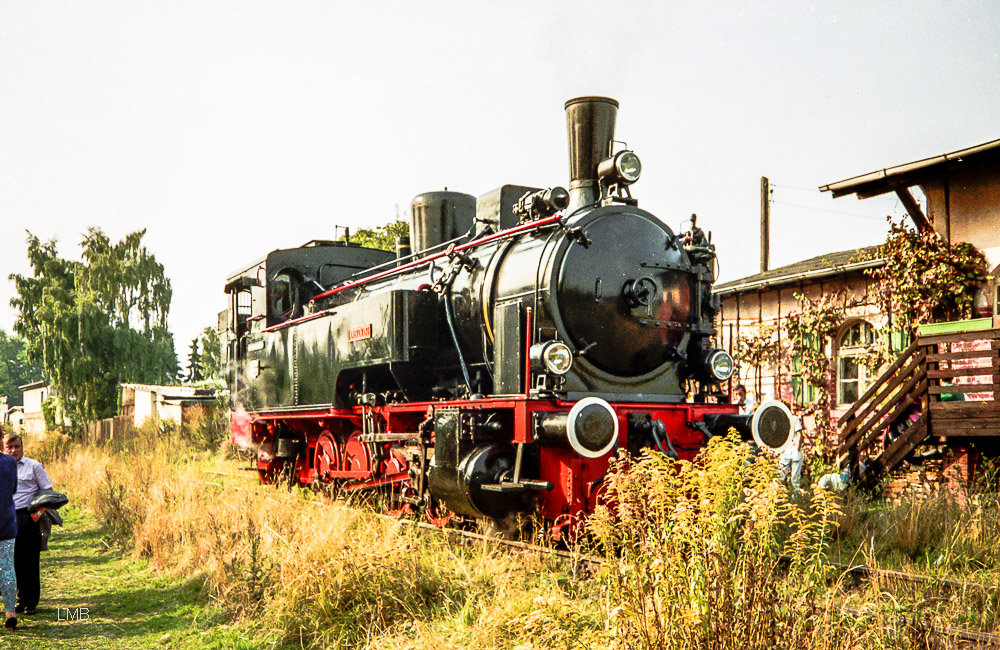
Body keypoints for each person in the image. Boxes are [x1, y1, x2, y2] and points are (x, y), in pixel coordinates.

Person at [3, 434, 52, 616]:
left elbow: (48, 492)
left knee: (29, 561)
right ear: (3, 448)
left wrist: (37, 515)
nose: (13, 450)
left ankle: (31, 602)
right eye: (9, 447)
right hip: (6, 517)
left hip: (27, 517)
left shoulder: (34, 466)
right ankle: (19, 599)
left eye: (17, 446)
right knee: (12, 561)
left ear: (22, 447)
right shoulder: (2, 466)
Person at [0, 448, 16, 630]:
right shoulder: (10, 462)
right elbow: (14, 489)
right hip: (5, 522)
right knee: (7, 568)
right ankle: (10, 612)